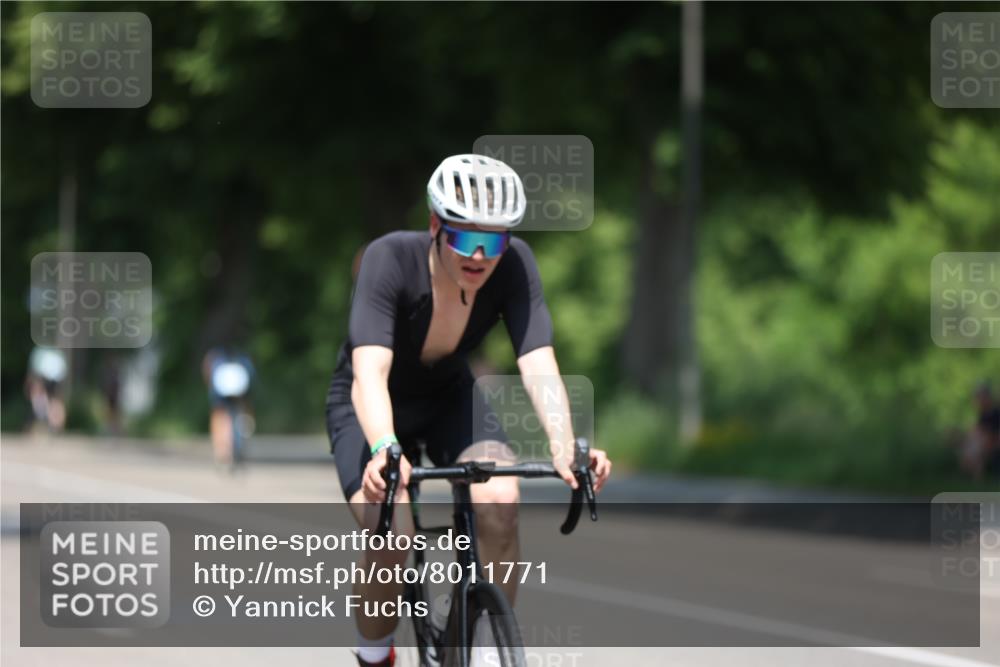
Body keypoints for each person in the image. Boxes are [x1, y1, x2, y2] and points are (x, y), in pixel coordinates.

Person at [325, 154, 612, 666]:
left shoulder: (516, 265)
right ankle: (374, 655)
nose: (480, 255)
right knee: (392, 533)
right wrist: (385, 448)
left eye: (494, 240)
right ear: (436, 226)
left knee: (501, 499)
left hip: (450, 396)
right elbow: (369, 375)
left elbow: (539, 362)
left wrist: (565, 444)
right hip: (373, 401)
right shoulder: (389, 259)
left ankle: (477, 646)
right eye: (465, 238)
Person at [202, 347, 255, 469]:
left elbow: (209, 376)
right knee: (240, 414)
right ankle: (235, 447)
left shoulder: (215, 358)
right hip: (240, 393)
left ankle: (223, 452)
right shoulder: (243, 359)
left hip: (221, 396)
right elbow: (251, 377)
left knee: (220, 418)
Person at [24, 346, 68, 434]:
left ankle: (52, 424)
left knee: (53, 402)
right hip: (51, 378)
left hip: (47, 378)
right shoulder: (55, 354)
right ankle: (53, 425)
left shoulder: (40, 353)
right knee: (54, 402)